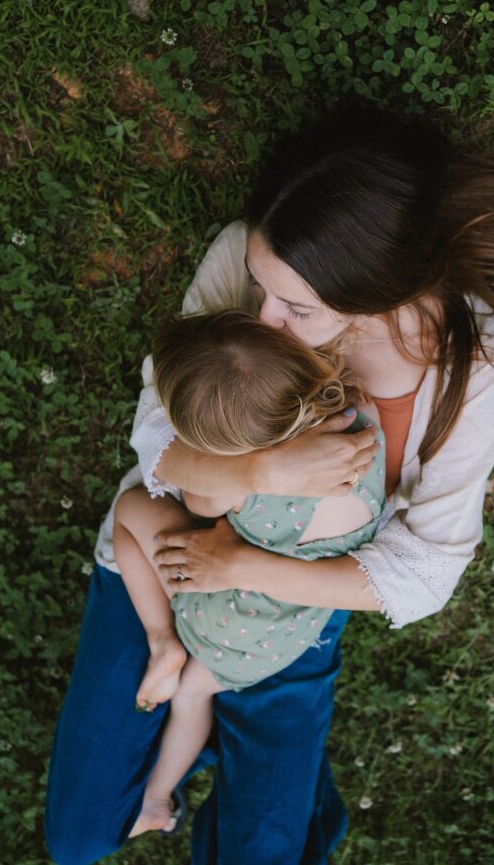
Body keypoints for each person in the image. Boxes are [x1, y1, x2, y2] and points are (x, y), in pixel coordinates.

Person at [45, 101, 494, 865]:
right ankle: (212, 725)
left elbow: (429, 571)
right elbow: (158, 432)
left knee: (263, 855)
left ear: (380, 287)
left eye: (296, 308)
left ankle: (225, 730)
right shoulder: (248, 259)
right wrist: (257, 470)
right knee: (79, 841)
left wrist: (243, 565)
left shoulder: (470, 360)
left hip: (292, 611)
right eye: (259, 287)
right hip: (162, 558)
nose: (262, 319)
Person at [112, 309, 385, 837]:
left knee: (129, 512)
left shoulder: (233, 483)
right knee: (196, 692)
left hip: (222, 606)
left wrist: (224, 470)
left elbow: (200, 500)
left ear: (221, 449)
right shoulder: (361, 415)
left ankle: (163, 641)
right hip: (285, 635)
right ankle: (157, 795)